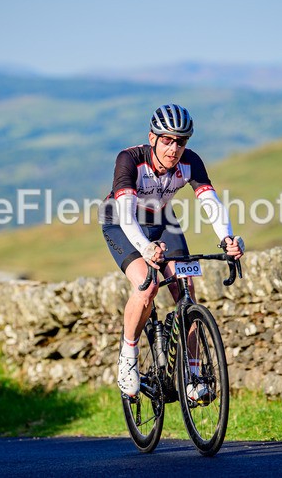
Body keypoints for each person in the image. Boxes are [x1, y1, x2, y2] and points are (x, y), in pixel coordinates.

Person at [99, 103, 244, 400]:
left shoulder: (190, 162)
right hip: (119, 222)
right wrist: (146, 248)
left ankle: (191, 375)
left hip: (162, 219)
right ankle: (128, 357)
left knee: (186, 289)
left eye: (181, 141)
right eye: (167, 140)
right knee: (147, 284)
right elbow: (126, 214)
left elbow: (210, 202)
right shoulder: (130, 160)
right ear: (152, 137)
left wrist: (228, 238)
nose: (174, 148)